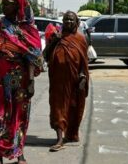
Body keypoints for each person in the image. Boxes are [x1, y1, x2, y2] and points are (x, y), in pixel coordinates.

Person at [0, 0, 43, 164]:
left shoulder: (28, 29)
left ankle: (19, 152)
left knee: (19, 115)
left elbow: (33, 57)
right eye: (3, 3)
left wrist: (31, 82)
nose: (4, 7)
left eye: (8, 3)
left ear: (18, 6)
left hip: (21, 78)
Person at [45, 11, 89, 152]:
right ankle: (59, 139)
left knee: (73, 108)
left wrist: (83, 76)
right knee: (58, 108)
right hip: (58, 82)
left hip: (75, 82)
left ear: (76, 22)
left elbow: (84, 61)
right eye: (66, 20)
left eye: (71, 20)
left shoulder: (81, 39)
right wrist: (55, 41)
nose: (68, 22)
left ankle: (70, 134)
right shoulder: (57, 37)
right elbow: (45, 56)